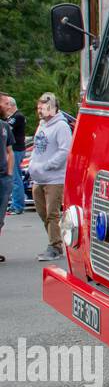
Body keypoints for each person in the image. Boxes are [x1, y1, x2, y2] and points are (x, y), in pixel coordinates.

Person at [29, 92, 72, 262]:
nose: (40, 111)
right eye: (39, 108)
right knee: (42, 212)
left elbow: (64, 151)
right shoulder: (42, 126)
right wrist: (33, 166)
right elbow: (37, 148)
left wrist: (47, 166)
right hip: (38, 178)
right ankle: (55, 242)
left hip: (54, 179)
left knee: (52, 213)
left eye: (44, 108)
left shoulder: (61, 126)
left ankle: (55, 246)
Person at [0, 96, 25, 214]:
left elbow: (7, 127)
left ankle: (17, 205)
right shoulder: (12, 118)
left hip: (16, 149)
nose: (7, 107)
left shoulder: (17, 117)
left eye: (8, 104)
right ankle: (15, 203)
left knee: (15, 178)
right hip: (14, 149)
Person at [0, 112, 14, 263]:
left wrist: (9, 174)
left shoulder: (4, 127)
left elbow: (10, 151)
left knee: (0, 218)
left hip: (3, 177)